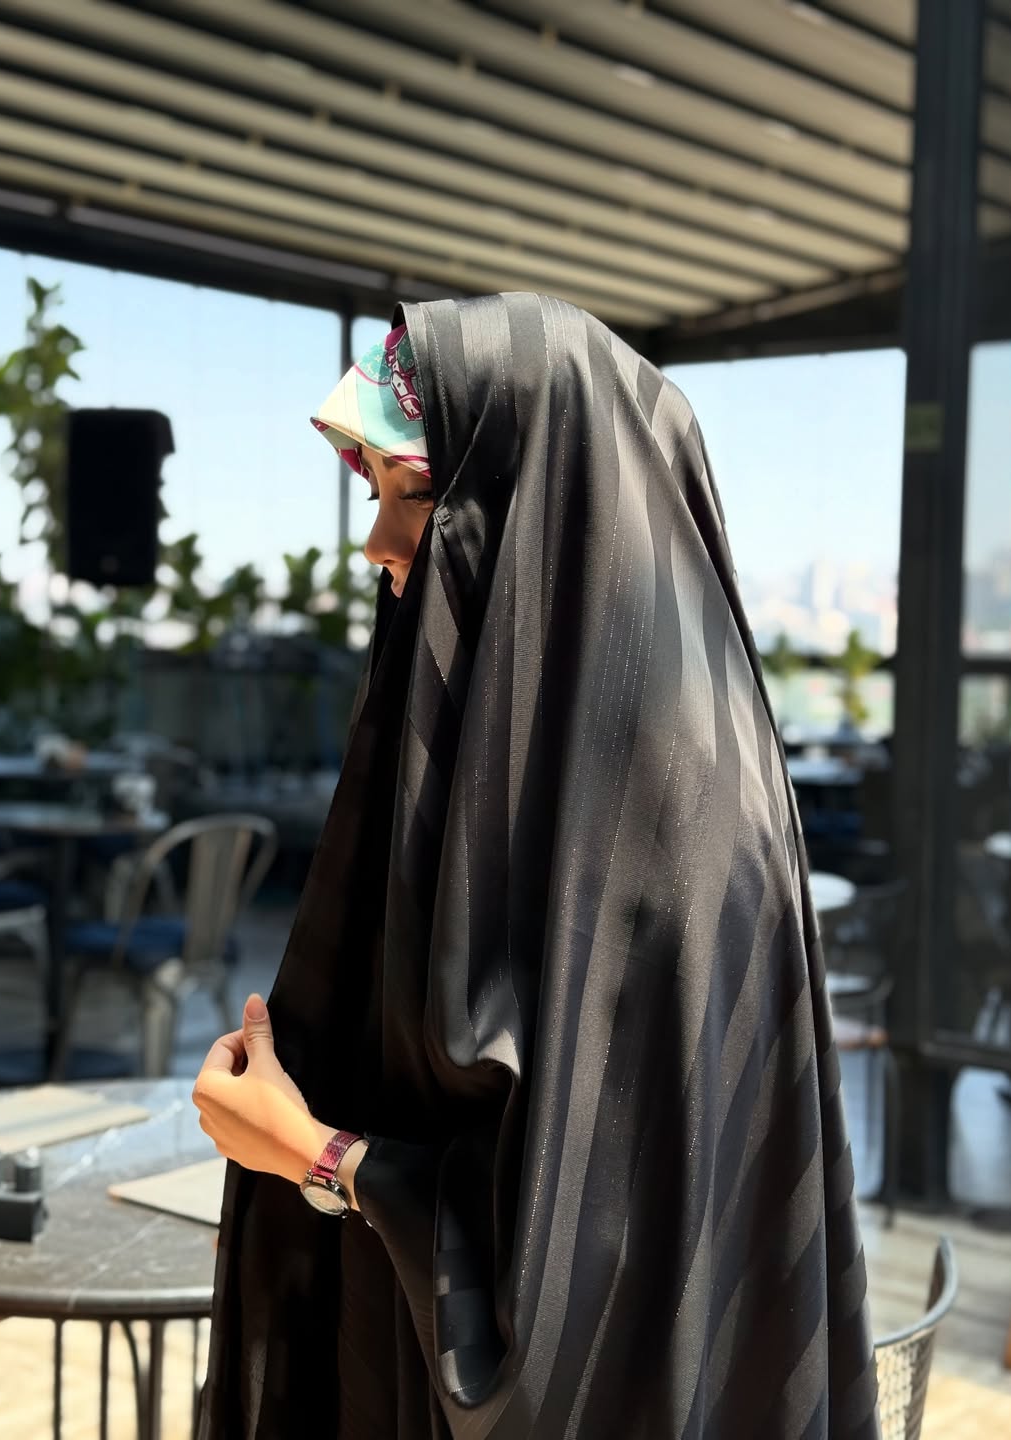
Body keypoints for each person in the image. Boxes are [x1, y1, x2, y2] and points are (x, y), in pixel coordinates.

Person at [194, 294, 881, 1439]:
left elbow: (588, 1294)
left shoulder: (670, 838)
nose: (378, 545)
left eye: (416, 495)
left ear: (552, 509)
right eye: (376, 494)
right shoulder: (519, 772)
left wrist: (317, 1156)